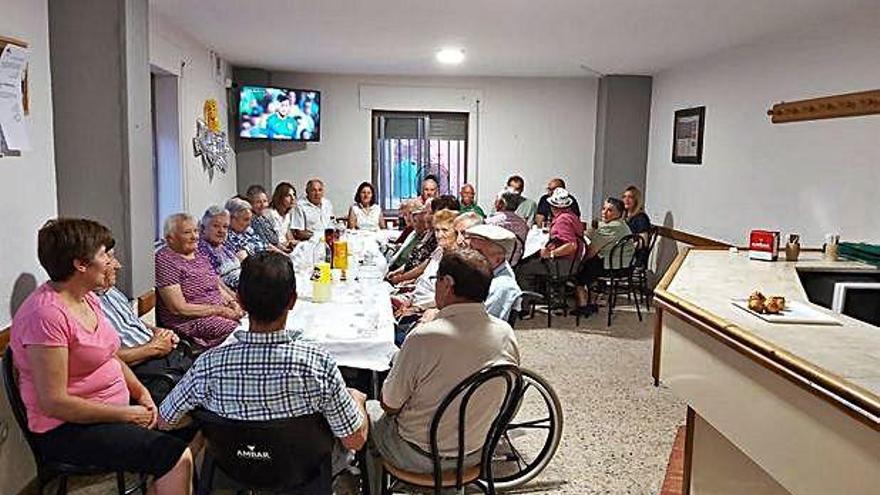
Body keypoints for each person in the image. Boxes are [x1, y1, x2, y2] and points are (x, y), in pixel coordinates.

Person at [11, 218, 194, 494]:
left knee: (194, 423)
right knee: (175, 456)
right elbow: (55, 403)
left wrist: (141, 392)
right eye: (104, 254)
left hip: (109, 412)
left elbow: (111, 357)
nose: (112, 262)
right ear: (80, 264)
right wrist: (126, 415)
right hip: (67, 429)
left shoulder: (88, 298)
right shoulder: (45, 315)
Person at [159, 252, 368, 476]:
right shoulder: (317, 364)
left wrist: (207, 421)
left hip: (233, 467)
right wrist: (357, 399)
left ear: (239, 300)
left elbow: (165, 420)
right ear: (293, 301)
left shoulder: (209, 364)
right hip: (306, 467)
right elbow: (354, 441)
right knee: (355, 402)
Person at [366, 249, 520, 495]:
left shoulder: (425, 337)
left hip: (420, 455)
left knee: (365, 409)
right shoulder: (505, 333)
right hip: (477, 451)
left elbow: (389, 404)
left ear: (447, 284)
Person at [96, 249, 193, 404]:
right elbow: (106, 358)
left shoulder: (110, 291)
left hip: (164, 353)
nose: (118, 265)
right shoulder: (84, 308)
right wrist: (155, 347)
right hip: (145, 371)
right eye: (110, 258)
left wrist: (158, 331)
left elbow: (130, 322)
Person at [156, 213, 243, 349]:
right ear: (170, 238)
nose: (194, 237)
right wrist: (220, 311)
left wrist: (233, 303)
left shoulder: (198, 254)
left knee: (256, 319)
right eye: (187, 232)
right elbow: (178, 308)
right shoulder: (165, 259)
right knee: (241, 332)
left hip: (217, 312)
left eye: (196, 231)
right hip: (192, 321)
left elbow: (216, 285)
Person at [391, 209, 460, 323]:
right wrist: (409, 298)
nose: (439, 235)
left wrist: (416, 308)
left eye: (445, 230)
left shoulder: (456, 260)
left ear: (456, 233)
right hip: (413, 299)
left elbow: (447, 300)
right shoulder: (439, 250)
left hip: (426, 311)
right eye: (437, 230)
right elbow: (423, 279)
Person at [573, 197, 634, 316]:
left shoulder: (610, 227)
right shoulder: (621, 224)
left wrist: (580, 261)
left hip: (614, 267)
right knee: (590, 264)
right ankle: (593, 301)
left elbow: (592, 251)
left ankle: (583, 304)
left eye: (610, 210)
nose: (604, 213)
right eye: (603, 209)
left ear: (619, 213)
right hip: (624, 265)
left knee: (577, 269)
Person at [515, 188, 585, 291]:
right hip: (572, 263)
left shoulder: (563, 221)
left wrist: (551, 254)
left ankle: (527, 301)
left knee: (523, 269)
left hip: (562, 264)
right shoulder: (572, 217)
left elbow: (571, 245)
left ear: (554, 207)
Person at [464, 225, 523, 321]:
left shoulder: (501, 286)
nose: (470, 256)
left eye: (478, 252)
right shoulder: (480, 273)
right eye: (470, 249)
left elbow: (481, 323)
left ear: (498, 258)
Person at [197, 205, 242, 289]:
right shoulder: (201, 250)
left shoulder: (225, 245)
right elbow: (215, 282)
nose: (221, 231)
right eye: (216, 226)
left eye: (225, 227)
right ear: (203, 228)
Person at [485, 189, 530, 264]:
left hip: (492, 266)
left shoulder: (490, 223)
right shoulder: (523, 225)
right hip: (514, 266)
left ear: (500, 203)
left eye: (496, 199)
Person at [245, 184, 283, 249]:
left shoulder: (262, 218)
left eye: (265, 201)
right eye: (258, 202)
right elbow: (266, 245)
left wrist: (285, 249)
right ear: (250, 204)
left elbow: (275, 241)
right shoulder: (253, 221)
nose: (263, 205)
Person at [266, 181, 299, 250]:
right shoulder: (270, 214)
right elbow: (269, 241)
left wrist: (294, 243)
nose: (293, 198)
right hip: (275, 249)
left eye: (293, 195)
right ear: (280, 197)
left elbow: (288, 235)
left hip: (286, 247)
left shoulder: (288, 214)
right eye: (288, 196)